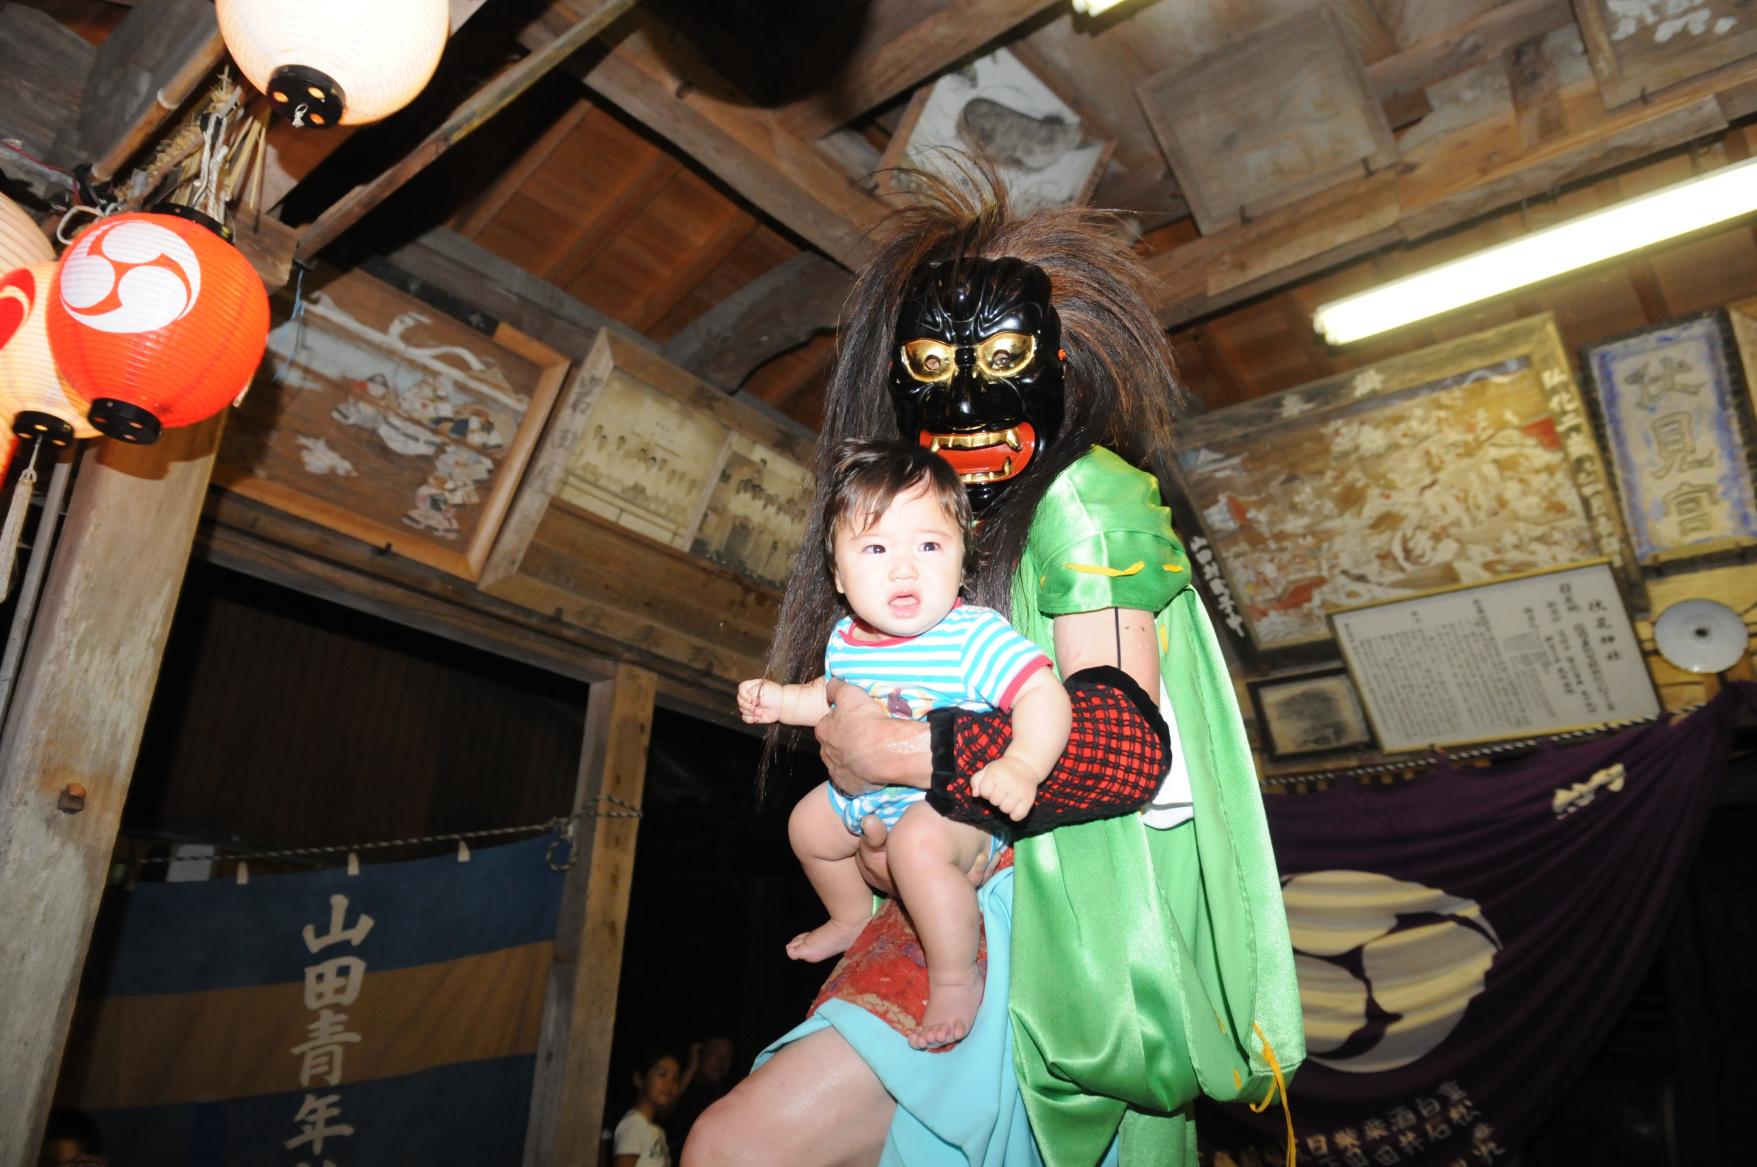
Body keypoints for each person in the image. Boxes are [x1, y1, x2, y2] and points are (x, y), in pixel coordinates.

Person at [684, 161, 1303, 1167]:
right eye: (928, 367)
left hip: (1053, 921)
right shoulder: (925, 514)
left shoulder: (1086, 500)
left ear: (1060, 361)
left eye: (1002, 355)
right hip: (945, 902)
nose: (965, 397)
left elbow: (1118, 744)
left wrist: (901, 748)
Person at [739, 439, 1072, 1049]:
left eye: (928, 545)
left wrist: (1022, 765)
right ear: (839, 575)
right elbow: (831, 697)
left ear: (962, 561)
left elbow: (1044, 696)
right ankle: (847, 917)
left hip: (949, 808)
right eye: (874, 548)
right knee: (807, 827)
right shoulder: (846, 639)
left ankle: (954, 978)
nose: (903, 568)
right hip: (868, 804)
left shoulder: (972, 635)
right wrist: (783, 702)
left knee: (918, 847)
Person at [663, 1034, 738, 1154]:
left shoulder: (730, 1098)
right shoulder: (681, 1089)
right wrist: (691, 1069)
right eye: (715, 1053)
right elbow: (663, 1110)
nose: (721, 1061)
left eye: (727, 1057)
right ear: (700, 1055)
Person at [614, 1045, 684, 1167]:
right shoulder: (633, 1124)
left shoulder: (656, 1130)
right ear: (639, 1079)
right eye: (662, 1074)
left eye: (676, 1078)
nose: (670, 1084)